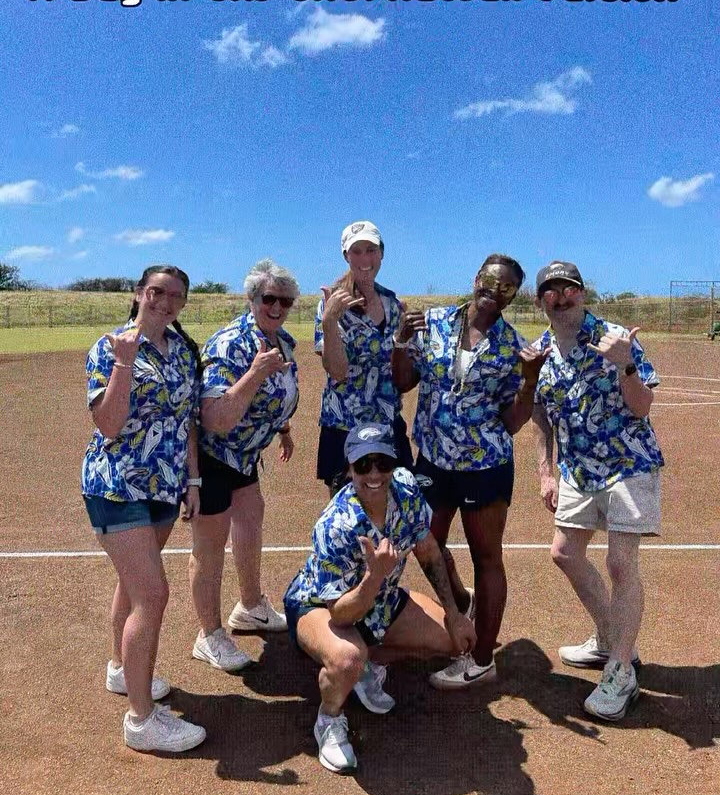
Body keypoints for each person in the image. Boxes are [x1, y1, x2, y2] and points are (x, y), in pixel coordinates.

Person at [392, 254, 549, 688]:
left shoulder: (513, 346)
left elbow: (513, 421)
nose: (494, 293)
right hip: (433, 459)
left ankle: (481, 659)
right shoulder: (435, 323)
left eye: (507, 288)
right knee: (427, 543)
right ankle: (461, 600)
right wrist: (401, 342)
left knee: (487, 556)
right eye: (491, 281)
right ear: (477, 277)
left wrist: (528, 380)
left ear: (514, 297)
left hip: (485, 465)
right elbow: (403, 382)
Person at [283, 424, 476, 773]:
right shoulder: (335, 524)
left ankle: (368, 665)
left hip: (380, 600)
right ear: (349, 469)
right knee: (346, 659)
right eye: (363, 465)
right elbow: (340, 614)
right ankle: (329, 718)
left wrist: (454, 612)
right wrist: (374, 576)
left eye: (382, 463)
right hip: (319, 605)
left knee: (453, 640)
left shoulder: (406, 488)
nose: (374, 474)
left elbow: (428, 550)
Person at [531, 261, 664, 721]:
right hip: (578, 470)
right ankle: (610, 638)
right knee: (564, 552)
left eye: (569, 289)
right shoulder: (541, 351)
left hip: (628, 463)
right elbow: (541, 414)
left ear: (583, 294)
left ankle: (621, 671)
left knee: (620, 563)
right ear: (540, 301)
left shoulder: (615, 338)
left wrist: (626, 365)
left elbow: (642, 407)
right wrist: (545, 470)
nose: (561, 297)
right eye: (551, 291)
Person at [81, 265, 206, 753]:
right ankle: (141, 719)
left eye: (176, 295)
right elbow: (109, 425)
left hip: (164, 487)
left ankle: (121, 668)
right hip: (117, 486)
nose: (165, 302)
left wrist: (192, 480)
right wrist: (124, 364)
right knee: (152, 595)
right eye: (156, 292)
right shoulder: (110, 347)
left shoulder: (183, 351)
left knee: (133, 586)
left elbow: (187, 421)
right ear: (138, 293)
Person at [189, 259, 300, 671]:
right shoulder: (229, 344)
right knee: (210, 546)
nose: (277, 307)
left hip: (244, 455)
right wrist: (254, 373)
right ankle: (209, 635)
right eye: (269, 298)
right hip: (213, 456)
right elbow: (215, 418)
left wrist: (283, 428)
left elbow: (279, 392)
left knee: (251, 521)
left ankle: (250, 607)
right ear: (252, 299)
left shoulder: (282, 341)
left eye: (285, 301)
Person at [315, 220, 413, 491]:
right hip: (344, 427)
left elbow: (403, 370)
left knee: (397, 503)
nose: (364, 259)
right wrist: (329, 322)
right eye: (356, 251)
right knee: (346, 509)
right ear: (346, 256)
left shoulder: (394, 305)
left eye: (371, 250)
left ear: (381, 253)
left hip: (387, 423)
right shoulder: (332, 303)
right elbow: (337, 371)